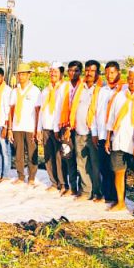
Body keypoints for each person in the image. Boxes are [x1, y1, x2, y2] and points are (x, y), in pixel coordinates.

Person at [106, 66, 134, 213]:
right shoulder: (120, 95)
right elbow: (111, 118)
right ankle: (121, 202)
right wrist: (108, 138)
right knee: (118, 172)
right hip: (119, 140)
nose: (132, 82)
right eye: (130, 78)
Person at [69, 60, 102, 200]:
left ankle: (97, 192)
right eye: (87, 70)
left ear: (97, 73)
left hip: (92, 134)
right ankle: (86, 191)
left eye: (92, 71)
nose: (89, 73)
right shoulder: (80, 88)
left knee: (95, 164)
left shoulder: (101, 89)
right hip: (79, 132)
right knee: (81, 164)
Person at [95, 61, 124, 203]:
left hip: (116, 136)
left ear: (118, 72)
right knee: (104, 167)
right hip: (102, 134)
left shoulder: (123, 91)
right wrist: (95, 133)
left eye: (112, 72)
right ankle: (107, 195)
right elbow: (97, 112)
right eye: (107, 73)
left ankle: (117, 197)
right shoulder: (102, 90)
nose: (109, 76)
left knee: (116, 169)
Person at [9, 64, 41, 185]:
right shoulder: (14, 91)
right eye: (19, 74)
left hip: (30, 127)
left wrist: (37, 129)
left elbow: (38, 111)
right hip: (17, 127)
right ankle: (21, 176)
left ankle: (32, 177)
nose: (21, 76)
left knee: (32, 153)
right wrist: (10, 129)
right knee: (19, 154)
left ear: (29, 75)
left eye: (24, 74)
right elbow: (11, 111)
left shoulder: (35, 91)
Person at [38, 63, 67, 192]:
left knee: (60, 157)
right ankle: (54, 183)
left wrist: (58, 129)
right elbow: (41, 111)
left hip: (58, 128)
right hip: (46, 128)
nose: (53, 74)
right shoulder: (45, 90)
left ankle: (63, 183)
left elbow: (60, 110)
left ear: (61, 73)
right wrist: (39, 129)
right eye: (51, 71)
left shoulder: (64, 89)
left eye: (55, 71)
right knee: (48, 156)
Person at [61, 61, 83, 195]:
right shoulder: (65, 87)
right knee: (68, 157)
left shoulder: (83, 87)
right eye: (70, 70)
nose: (72, 73)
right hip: (66, 127)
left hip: (79, 127)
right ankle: (72, 187)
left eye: (75, 70)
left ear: (80, 72)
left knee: (79, 159)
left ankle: (82, 187)